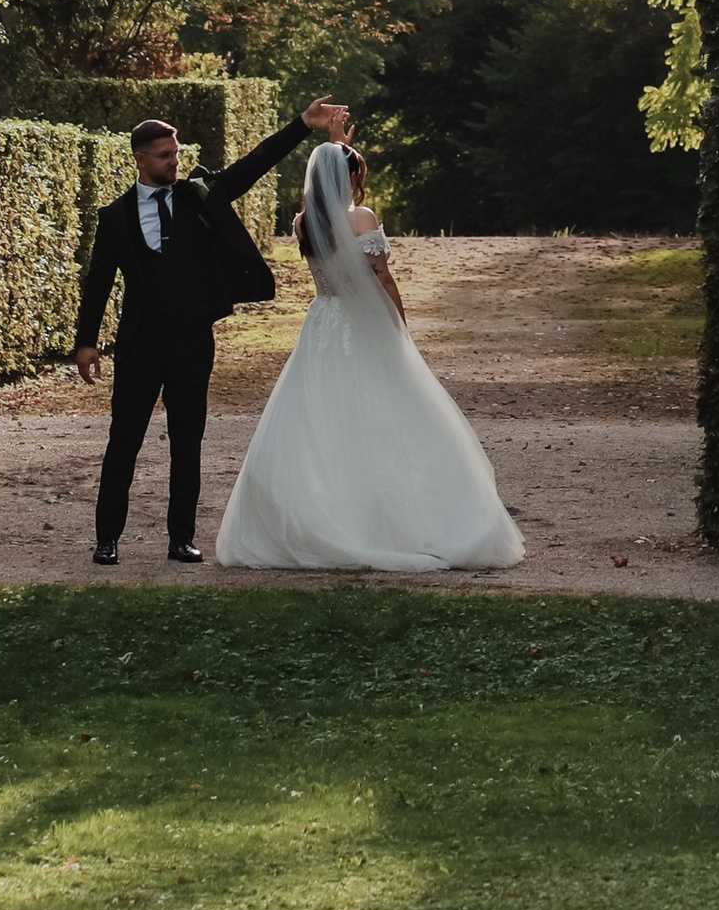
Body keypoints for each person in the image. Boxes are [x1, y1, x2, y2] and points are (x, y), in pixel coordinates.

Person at [213, 139, 524, 573]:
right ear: (349, 177)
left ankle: (322, 516)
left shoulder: (304, 223)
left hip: (323, 321)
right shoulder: (361, 218)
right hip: (362, 320)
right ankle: (391, 523)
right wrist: (399, 327)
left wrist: (337, 142)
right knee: (386, 409)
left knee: (320, 416)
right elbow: (382, 277)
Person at [73, 98, 350, 563]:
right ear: (140, 158)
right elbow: (98, 281)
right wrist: (86, 342)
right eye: (165, 155)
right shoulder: (115, 217)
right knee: (123, 440)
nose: (174, 162)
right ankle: (107, 539)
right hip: (139, 343)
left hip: (192, 340)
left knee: (187, 441)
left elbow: (253, 165)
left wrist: (303, 123)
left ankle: (181, 538)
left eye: (177, 153)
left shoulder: (198, 195)